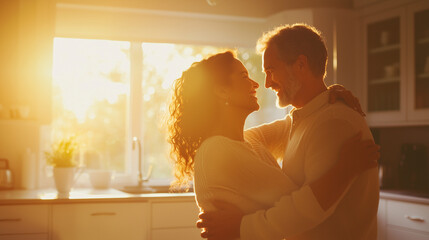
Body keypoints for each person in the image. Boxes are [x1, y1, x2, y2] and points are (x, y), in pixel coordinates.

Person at [168, 49, 378, 239]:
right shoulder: (217, 151)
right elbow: (299, 206)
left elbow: (295, 122)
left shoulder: (248, 141)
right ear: (222, 91)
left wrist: (327, 95)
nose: (257, 84)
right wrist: (344, 170)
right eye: (244, 76)